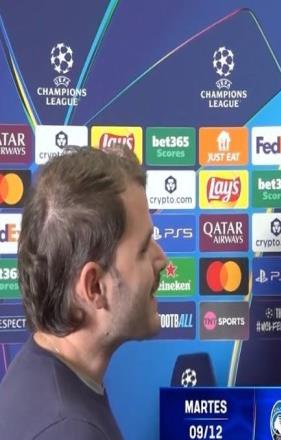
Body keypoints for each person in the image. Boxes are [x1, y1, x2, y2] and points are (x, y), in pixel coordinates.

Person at [0, 145, 167, 439]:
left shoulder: (43, 378)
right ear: (94, 287)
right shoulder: (69, 430)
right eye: (143, 248)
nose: (162, 259)